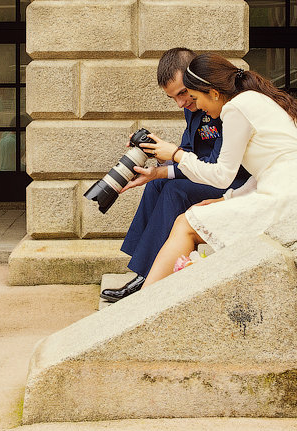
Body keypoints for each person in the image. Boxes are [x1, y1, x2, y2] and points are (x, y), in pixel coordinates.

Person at [140, 53, 297, 287]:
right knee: (190, 219)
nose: (200, 108)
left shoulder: (236, 108)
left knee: (186, 223)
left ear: (214, 93)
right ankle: (149, 298)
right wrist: (225, 199)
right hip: (294, 192)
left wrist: (176, 154)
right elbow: (266, 171)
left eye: (196, 97)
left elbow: (221, 175)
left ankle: (144, 303)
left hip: (287, 201)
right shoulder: (252, 99)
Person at [100, 48, 250, 302]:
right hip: (208, 175)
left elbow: (214, 166)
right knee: (157, 185)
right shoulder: (192, 106)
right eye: (174, 98)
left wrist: (171, 159)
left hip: (235, 182)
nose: (182, 103)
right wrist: (155, 153)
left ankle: (148, 278)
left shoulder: (222, 105)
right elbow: (189, 152)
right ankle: (143, 271)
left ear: (196, 79)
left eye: (183, 93)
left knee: (173, 190)